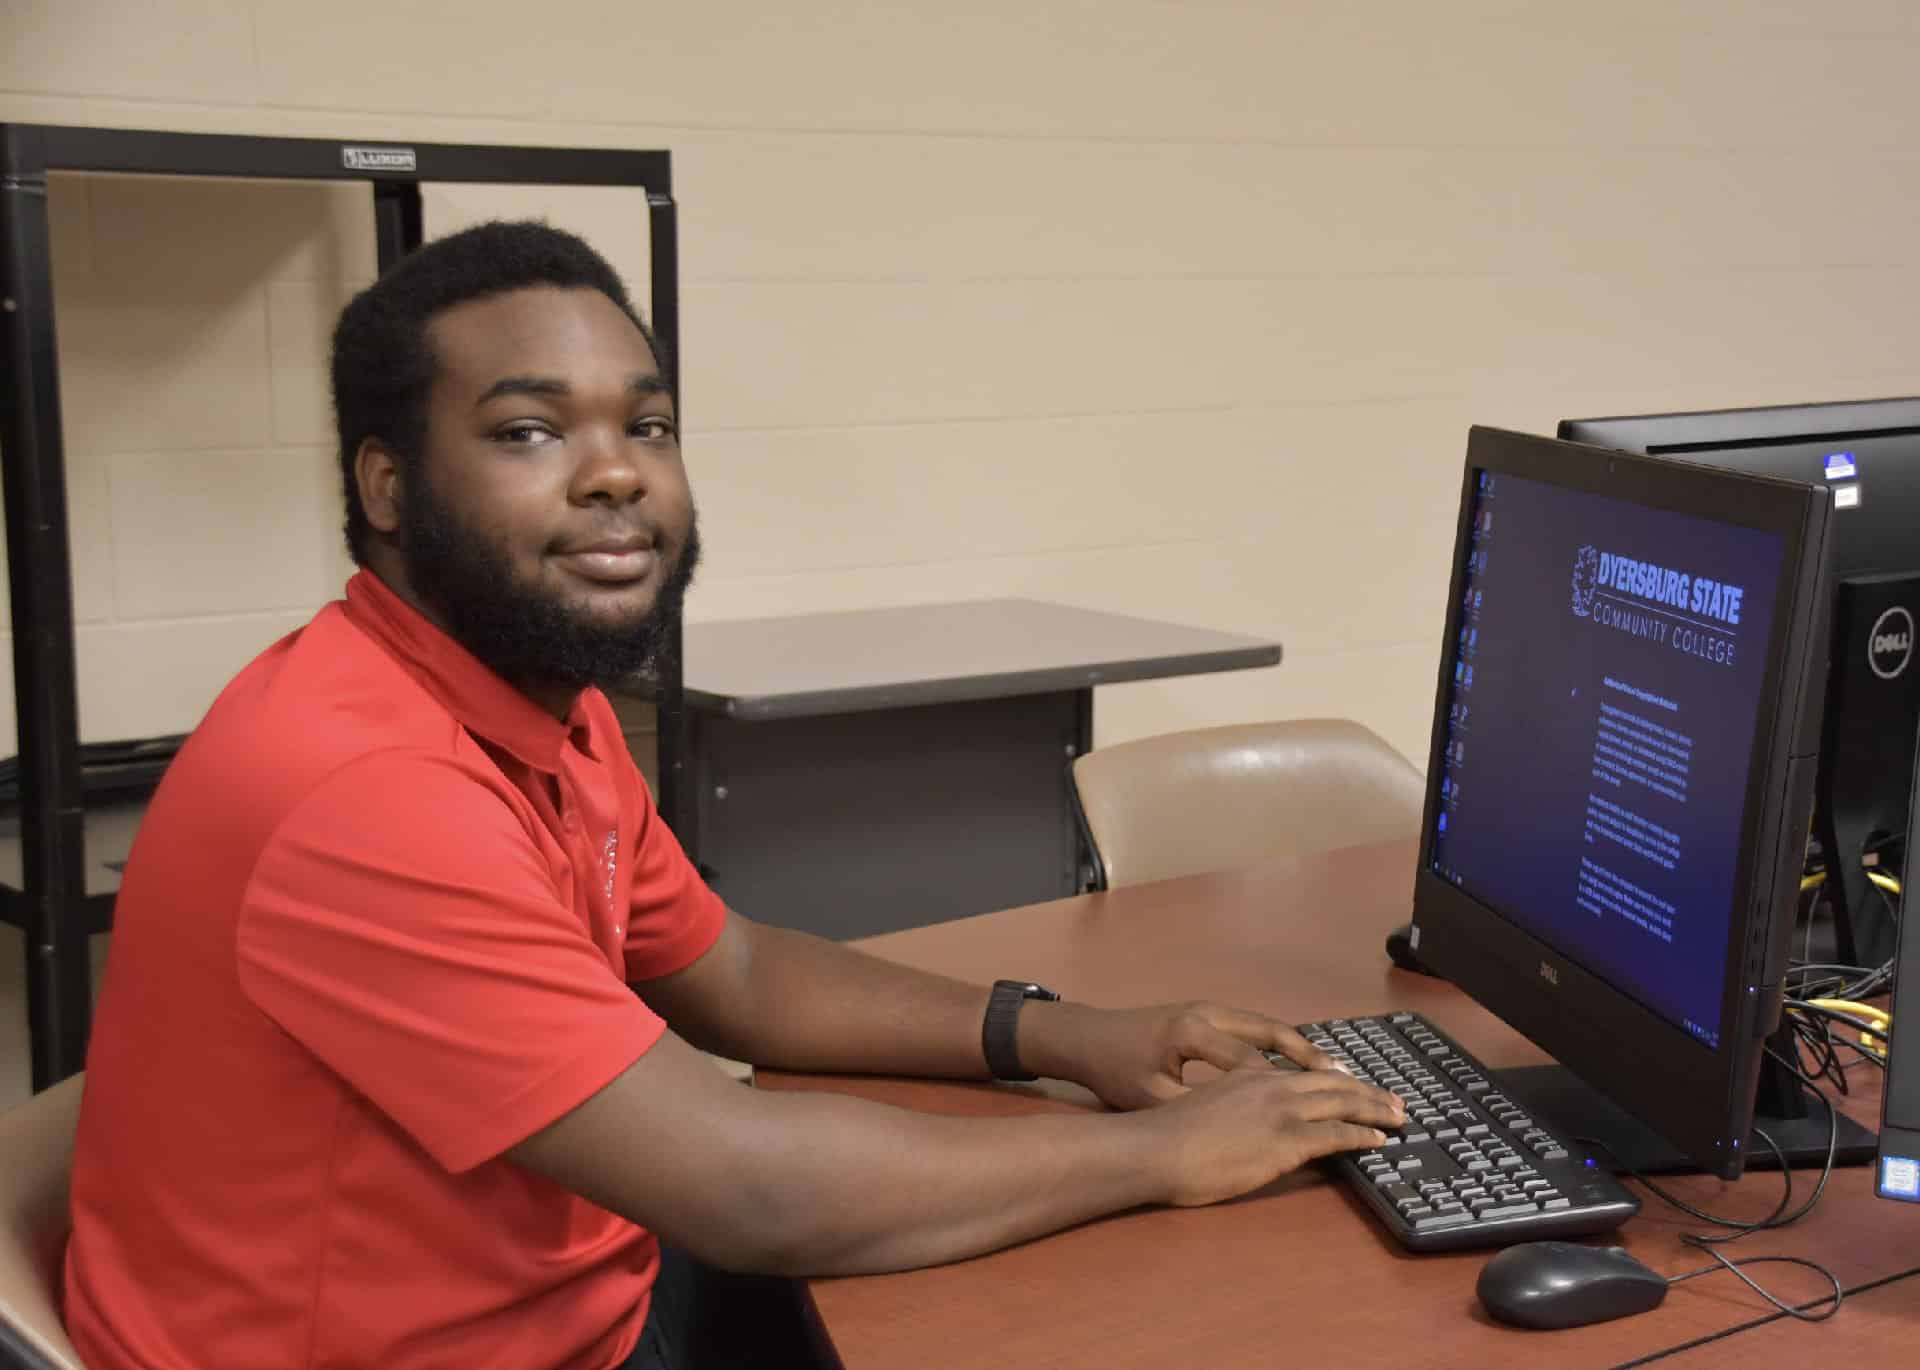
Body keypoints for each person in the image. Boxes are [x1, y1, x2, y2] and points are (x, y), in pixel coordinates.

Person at [61, 220, 1404, 1370]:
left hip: (581, 1294)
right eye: (530, 430)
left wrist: (1068, 1036)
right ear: (388, 485)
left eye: (645, 424)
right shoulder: (363, 790)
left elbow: (737, 973)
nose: (617, 472)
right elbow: (748, 1186)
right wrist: (1164, 1153)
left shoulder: (534, 702)